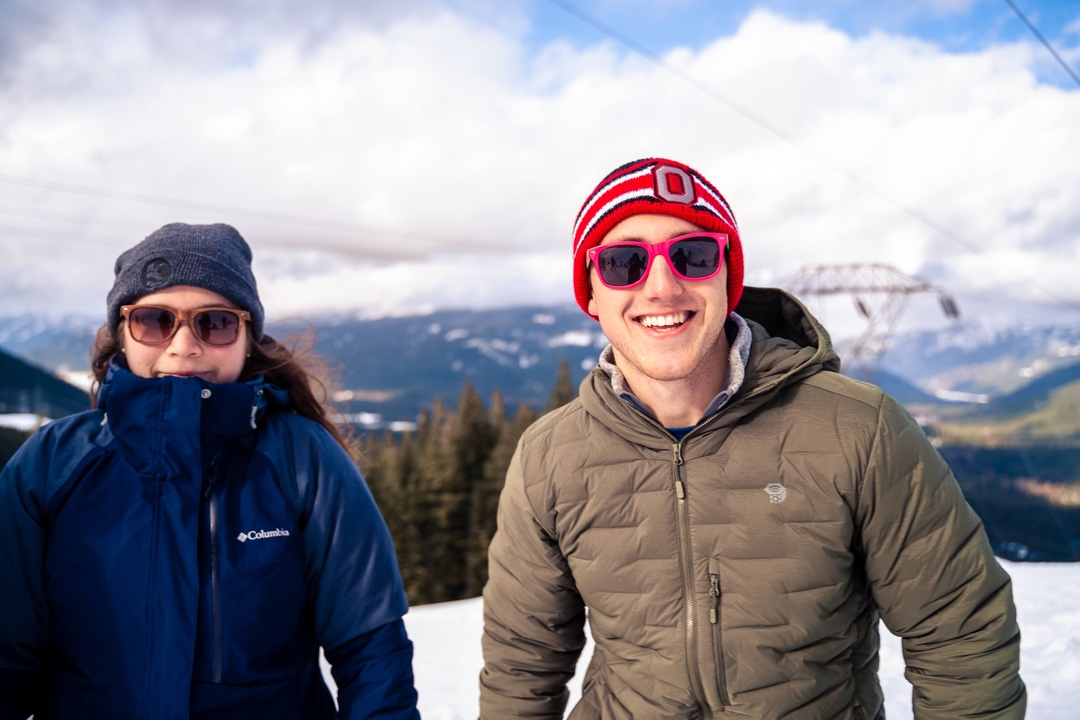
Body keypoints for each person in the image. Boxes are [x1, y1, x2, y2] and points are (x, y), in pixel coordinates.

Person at [480, 159, 1025, 719]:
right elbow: (522, 662)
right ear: (591, 293)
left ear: (727, 277)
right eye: (624, 263)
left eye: (693, 255)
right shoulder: (550, 455)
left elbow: (960, 635)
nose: (662, 287)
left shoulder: (859, 431)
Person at [0, 223, 420, 719]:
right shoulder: (53, 463)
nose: (183, 345)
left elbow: (371, 649)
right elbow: (8, 654)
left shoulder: (301, 459)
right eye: (154, 321)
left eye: (215, 322)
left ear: (247, 338)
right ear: (122, 333)